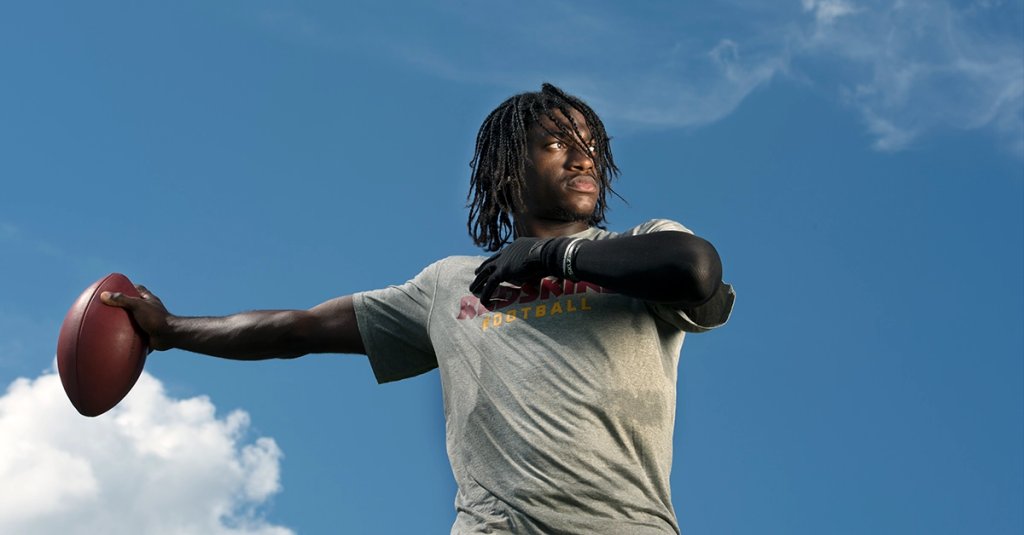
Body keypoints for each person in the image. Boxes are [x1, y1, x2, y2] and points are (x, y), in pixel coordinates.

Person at [102, 83, 735, 535]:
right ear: (509, 171)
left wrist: (554, 259)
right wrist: (173, 330)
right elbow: (297, 329)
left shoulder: (641, 250)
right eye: (555, 143)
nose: (582, 155)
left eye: (590, 143)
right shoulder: (449, 283)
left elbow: (696, 270)